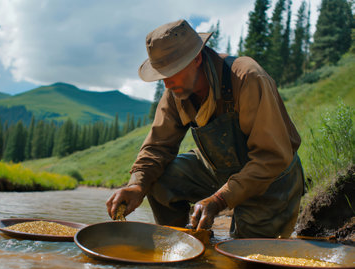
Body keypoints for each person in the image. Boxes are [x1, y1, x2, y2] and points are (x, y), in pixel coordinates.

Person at [106, 19, 304, 238]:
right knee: (157, 179)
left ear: (197, 58)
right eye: (162, 76)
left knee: (245, 259)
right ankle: (179, 246)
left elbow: (272, 158)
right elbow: (156, 148)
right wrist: (137, 185)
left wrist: (219, 199)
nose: (167, 84)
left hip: (270, 180)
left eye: (172, 72)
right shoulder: (175, 90)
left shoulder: (247, 78)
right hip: (218, 171)